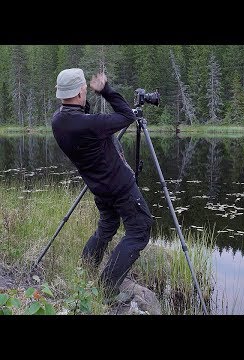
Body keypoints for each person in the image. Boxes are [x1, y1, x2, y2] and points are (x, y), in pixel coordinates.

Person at [51, 68, 153, 302]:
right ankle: (107, 287)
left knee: (107, 227)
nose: (87, 90)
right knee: (139, 230)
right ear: (79, 92)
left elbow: (82, 115)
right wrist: (106, 91)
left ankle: (84, 270)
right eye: (84, 89)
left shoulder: (58, 121)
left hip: (99, 188)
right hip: (120, 188)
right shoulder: (90, 125)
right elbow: (128, 116)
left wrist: (84, 98)